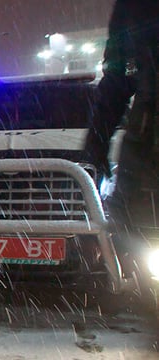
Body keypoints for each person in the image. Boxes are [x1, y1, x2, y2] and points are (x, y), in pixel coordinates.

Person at [83, 0, 159, 300]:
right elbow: (116, 78)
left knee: (136, 224)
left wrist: (97, 144)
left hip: (148, 139)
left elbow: (116, 80)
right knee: (136, 227)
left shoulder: (135, 9)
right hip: (147, 138)